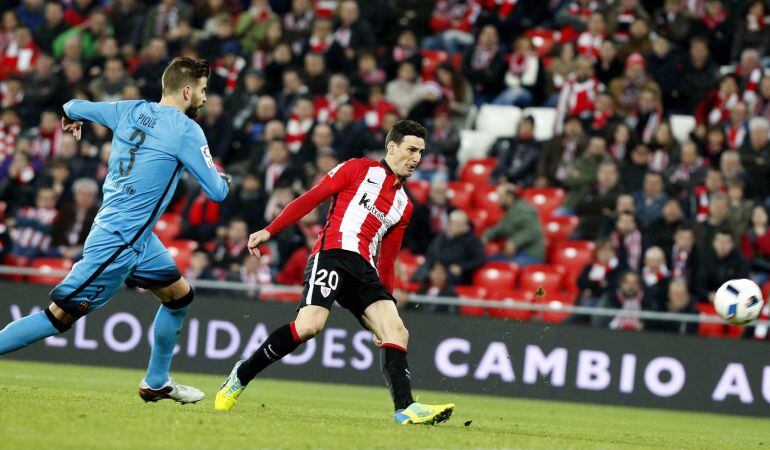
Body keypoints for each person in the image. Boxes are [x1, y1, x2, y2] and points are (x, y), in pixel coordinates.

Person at [0, 57, 231, 405]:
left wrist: (72, 118)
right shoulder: (187, 130)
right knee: (58, 317)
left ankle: (156, 382)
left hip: (138, 237)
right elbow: (215, 192)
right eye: (201, 90)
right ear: (186, 90)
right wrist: (225, 180)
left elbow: (73, 104)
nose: (203, 98)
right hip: (119, 240)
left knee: (178, 296)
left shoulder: (129, 109)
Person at [214, 120, 455, 425]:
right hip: (332, 254)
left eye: (421, 151)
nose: (417, 158)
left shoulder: (404, 205)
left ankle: (405, 407)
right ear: (392, 147)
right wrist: (270, 230)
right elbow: (311, 198)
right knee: (309, 326)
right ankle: (241, 374)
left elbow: (388, 259)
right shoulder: (357, 169)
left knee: (396, 331)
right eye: (411, 149)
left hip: (364, 269)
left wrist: (387, 303)